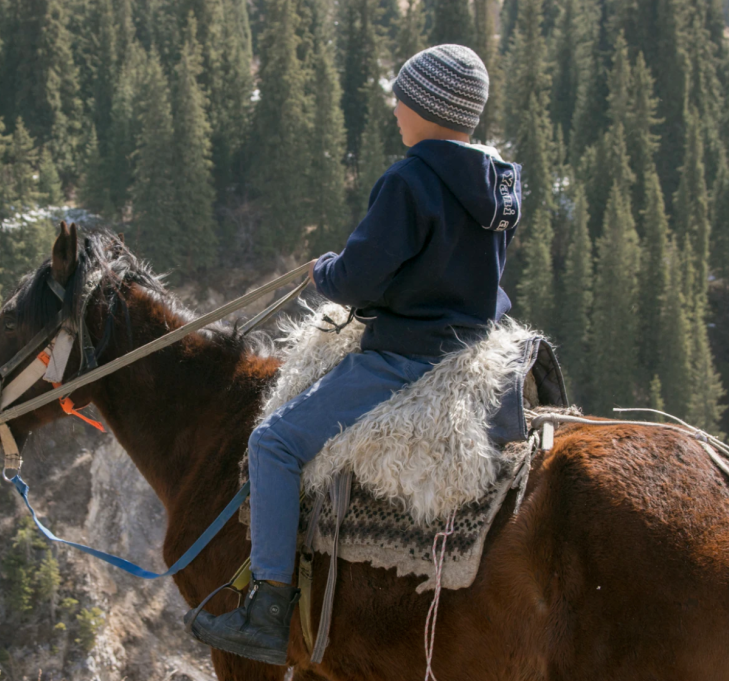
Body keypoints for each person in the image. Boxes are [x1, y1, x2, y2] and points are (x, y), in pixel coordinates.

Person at [188, 44, 523, 665]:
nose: (396, 107)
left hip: (407, 356)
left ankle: (267, 609)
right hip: (476, 349)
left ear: (427, 106)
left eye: (404, 96)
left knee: (274, 443)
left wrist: (328, 272)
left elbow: (359, 282)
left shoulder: (410, 180)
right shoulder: (500, 182)